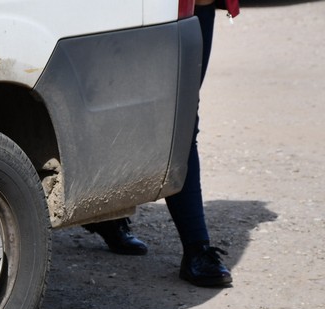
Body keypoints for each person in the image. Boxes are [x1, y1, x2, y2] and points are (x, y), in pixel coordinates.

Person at [85, 0, 237, 287]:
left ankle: (196, 247)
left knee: (179, 116)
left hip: (189, 8)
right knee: (113, 105)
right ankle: (194, 247)